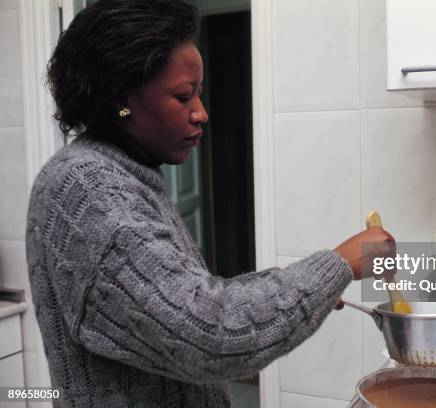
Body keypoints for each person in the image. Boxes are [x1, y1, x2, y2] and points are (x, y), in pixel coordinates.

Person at [25, 0, 395, 407]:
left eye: (198, 94)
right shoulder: (91, 191)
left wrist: (310, 285)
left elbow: (184, 297)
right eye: (183, 97)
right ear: (121, 98)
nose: (201, 113)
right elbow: (211, 336)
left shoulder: (123, 174)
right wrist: (341, 263)